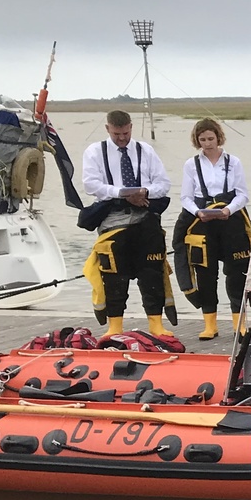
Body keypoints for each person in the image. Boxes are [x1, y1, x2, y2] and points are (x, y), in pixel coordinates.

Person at [80, 109, 171, 336]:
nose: (122, 138)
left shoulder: (145, 150)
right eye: (117, 134)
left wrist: (143, 191)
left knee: (151, 271)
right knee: (113, 274)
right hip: (113, 219)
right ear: (108, 129)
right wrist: (122, 193)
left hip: (144, 215)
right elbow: (91, 185)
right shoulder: (94, 152)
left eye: (126, 133)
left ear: (131, 127)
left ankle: (156, 324)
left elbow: (163, 183)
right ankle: (115, 326)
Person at [174, 118, 251, 341]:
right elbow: (186, 197)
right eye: (202, 140)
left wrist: (229, 209)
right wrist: (197, 212)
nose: (207, 143)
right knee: (205, 274)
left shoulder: (233, 162)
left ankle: (240, 323)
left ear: (219, 137)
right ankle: (210, 324)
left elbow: (243, 194)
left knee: (236, 273)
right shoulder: (191, 165)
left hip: (230, 220)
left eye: (211, 138)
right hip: (203, 222)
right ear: (196, 141)